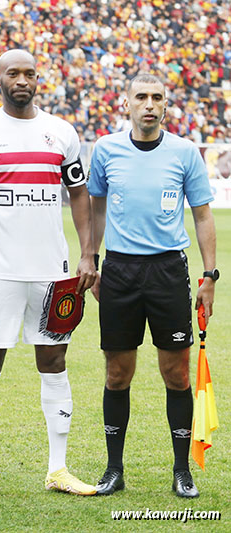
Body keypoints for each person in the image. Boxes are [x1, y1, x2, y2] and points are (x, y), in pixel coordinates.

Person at [0, 49, 97, 499]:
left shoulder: (61, 132)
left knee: (54, 362)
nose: (21, 80)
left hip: (51, 272)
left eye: (29, 73)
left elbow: (79, 195)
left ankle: (58, 468)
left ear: (38, 80)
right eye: (12, 73)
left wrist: (88, 254)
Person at [89, 73, 217, 499]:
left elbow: (202, 215)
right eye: (141, 97)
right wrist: (91, 259)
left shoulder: (184, 152)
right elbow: (96, 209)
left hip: (167, 272)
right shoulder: (106, 149)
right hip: (120, 272)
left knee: (176, 373)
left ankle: (182, 470)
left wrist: (210, 276)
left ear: (166, 105)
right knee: (117, 372)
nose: (149, 104)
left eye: (156, 97)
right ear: (126, 104)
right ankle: (114, 469)